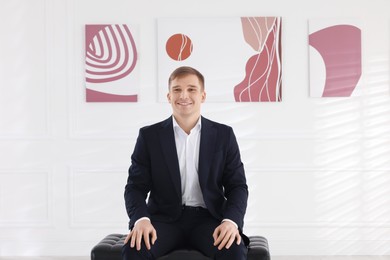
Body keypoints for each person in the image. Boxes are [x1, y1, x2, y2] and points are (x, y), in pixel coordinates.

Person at [122, 66, 249, 260]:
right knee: (135, 248)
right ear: (168, 96)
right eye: (177, 89)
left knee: (233, 249)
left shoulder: (224, 135)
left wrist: (231, 221)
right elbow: (135, 187)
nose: (184, 95)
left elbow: (237, 186)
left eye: (191, 89)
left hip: (209, 219)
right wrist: (141, 220)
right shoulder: (149, 136)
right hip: (163, 220)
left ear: (203, 95)